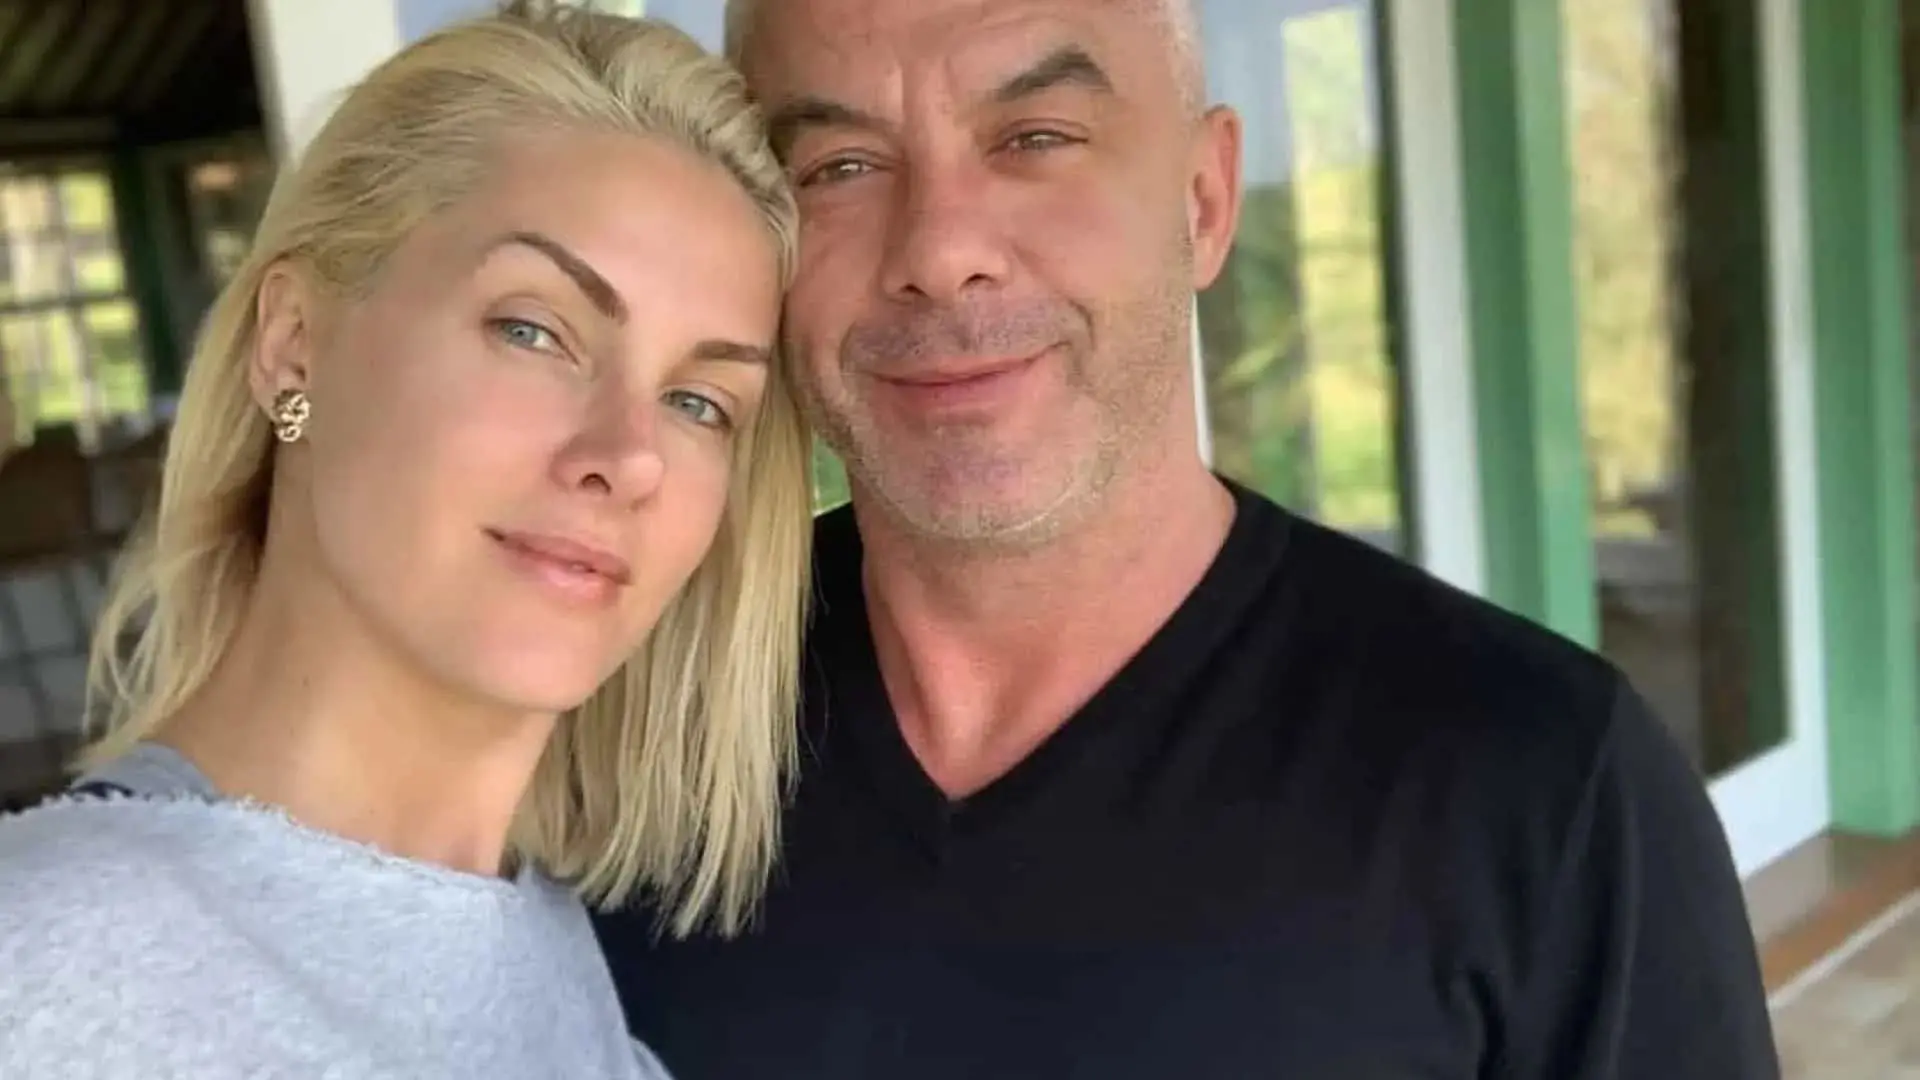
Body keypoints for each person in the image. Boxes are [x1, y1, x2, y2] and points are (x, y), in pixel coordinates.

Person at [591, 0, 1782, 1076]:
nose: (940, 254)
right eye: (842, 166)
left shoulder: (1546, 791)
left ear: (1203, 203)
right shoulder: (624, 719)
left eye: (1035, 138)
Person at [0, 4, 809, 1077]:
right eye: (533, 330)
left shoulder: (558, 953)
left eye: (700, 402)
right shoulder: (49, 967)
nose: (627, 456)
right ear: (294, 344)